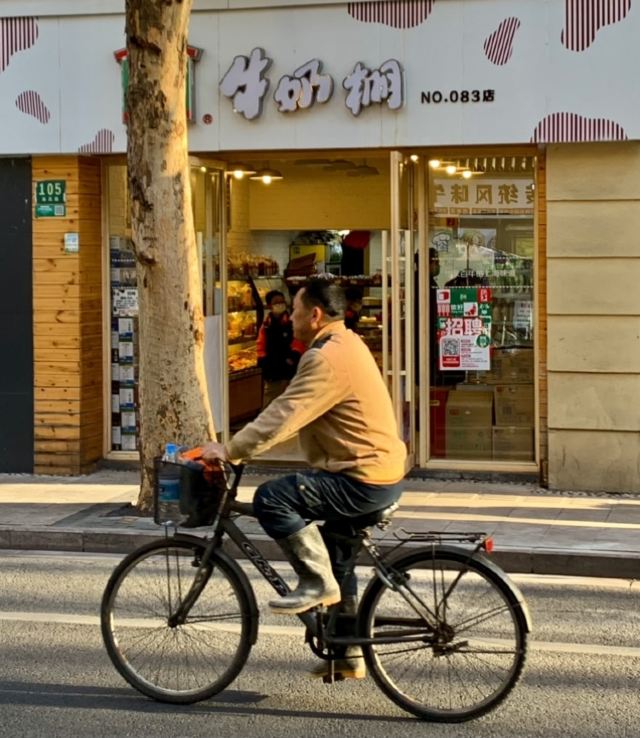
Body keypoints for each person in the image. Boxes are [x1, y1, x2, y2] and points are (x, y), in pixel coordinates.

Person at [202, 278, 406, 679]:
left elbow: (285, 414)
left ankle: (314, 582)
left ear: (314, 315)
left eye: (295, 311)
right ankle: (347, 653)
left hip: (361, 478)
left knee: (272, 498)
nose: (290, 318)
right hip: (377, 472)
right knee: (338, 561)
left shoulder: (325, 357)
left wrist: (230, 450)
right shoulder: (346, 343)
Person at [256, 290, 305, 407]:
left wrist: (293, 356)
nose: (280, 304)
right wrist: (263, 359)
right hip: (273, 371)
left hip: (291, 370)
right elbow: (260, 343)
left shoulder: (292, 321)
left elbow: (299, 341)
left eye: (282, 301)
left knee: (291, 404)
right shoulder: (266, 324)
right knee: (271, 403)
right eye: (276, 302)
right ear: (270, 305)